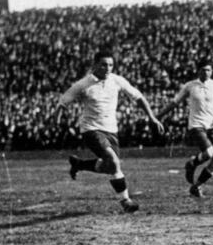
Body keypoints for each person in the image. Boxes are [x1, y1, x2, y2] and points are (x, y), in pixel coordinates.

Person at [59, 50, 164, 213]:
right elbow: (63, 102)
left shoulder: (117, 80)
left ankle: (79, 164)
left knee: (109, 166)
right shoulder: (83, 84)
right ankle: (125, 201)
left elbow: (139, 97)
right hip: (91, 129)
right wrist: (60, 121)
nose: (108, 68)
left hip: (111, 130)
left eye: (110, 65)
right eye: (104, 65)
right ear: (95, 65)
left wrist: (152, 118)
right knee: (114, 162)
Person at [159, 59, 213, 197]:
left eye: (209, 70)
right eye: (203, 70)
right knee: (208, 152)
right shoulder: (190, 86)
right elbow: (174, 102)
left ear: (212, 71)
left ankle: (197, 186)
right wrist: (158, 116)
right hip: (196, 124)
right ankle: (191, 164)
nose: (206, 72)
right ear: (198, 71)